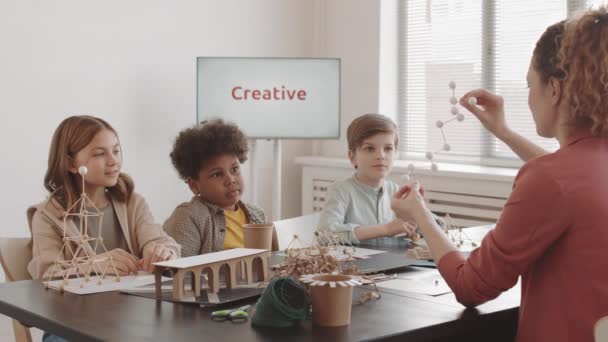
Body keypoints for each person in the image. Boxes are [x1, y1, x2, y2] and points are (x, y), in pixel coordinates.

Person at [391, 8, 608, 342]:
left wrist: (420, 213)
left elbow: (471, 286)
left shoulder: (553, 179)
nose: (528, 96)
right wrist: (503, 131)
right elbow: (571, 184)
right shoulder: (584, 171)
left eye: (529, 84)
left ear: (554, 88)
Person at [28, 115, 180, 278]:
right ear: (71, 164)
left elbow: (162, 242)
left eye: (116, 151)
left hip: (133, 302)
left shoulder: (132, 203)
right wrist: (92, 265)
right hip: (79, 304)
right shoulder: (47, 216)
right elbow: (46, 273)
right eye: (100, 154)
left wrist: (161, 251)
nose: (113, 161)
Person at [163, 119, 274, 257]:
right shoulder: (188, 217)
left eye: (234, 169)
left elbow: (271, 260)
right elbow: (178, 271)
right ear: (194, 185)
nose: (230, 180)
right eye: (217, 174)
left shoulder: (257, 214)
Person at [317, 114, 416, 245]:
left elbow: (431, 225)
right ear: (352, 157)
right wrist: (385, 229)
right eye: (369, 148)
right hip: (355, 265)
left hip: (392, 264)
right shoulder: (341, 191)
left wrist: (420, 214)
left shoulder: (396, 191)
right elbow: (325, 235)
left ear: (395, 154)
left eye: (388, 148)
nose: (381, 155)